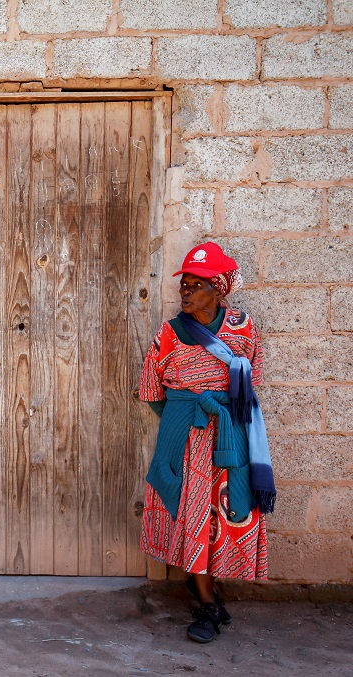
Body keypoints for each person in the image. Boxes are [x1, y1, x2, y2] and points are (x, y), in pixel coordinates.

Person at [138, 242, 275, 644]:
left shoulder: (243, 328)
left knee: (226, 511)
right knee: (193, 513)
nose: (186, 291)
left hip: (231, 433)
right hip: (185, 436)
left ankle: (205, 588)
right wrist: (185, 421)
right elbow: (151, 388)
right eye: (185, 284)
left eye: (196, 285)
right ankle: (207, 606)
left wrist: (222, 419)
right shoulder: (170, 332)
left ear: (218, 290)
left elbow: (254, 379)